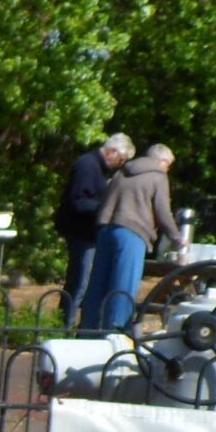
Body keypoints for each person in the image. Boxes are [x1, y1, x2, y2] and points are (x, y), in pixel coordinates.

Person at [80, 144, 179, 331]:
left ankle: (87, 332)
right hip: (132, 232)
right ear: (162, 161)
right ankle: (115, 333)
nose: (168, 170)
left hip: (106, 229)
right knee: (123, 287)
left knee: (97, 285)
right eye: (169, 165)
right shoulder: (158, 176)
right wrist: (178, 238)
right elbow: (163, 213)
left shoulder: (122, 171)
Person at [54, 132, 133, 327]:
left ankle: (78, 324)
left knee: (86, 282)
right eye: (121, 160)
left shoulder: (101, 169)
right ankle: (64, 325)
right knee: (80, 282)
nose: (121, 164)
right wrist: (106, 208)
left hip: (90, 232)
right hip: (80, 231)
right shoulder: (87, 165)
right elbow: (77, 201)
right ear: (112, 152)